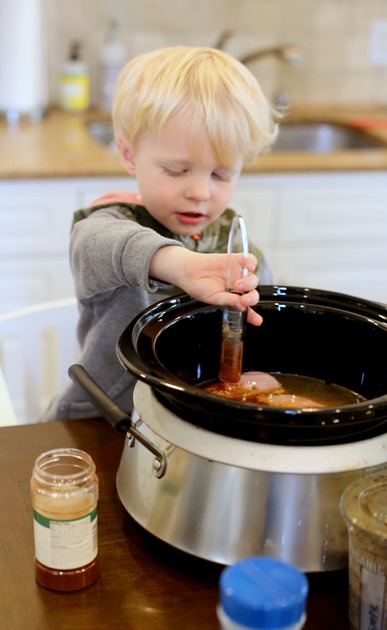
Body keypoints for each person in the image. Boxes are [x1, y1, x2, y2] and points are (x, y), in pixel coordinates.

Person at [42, 45, 281, 421]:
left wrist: (264, 377)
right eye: (176, 170)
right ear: (129, 155)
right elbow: (97, 246)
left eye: (221, 174)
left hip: (191, 424)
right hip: (100, 421)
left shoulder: (242, 255)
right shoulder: (110, 224)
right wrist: (177, 264)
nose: (200, 192)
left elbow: (267, 334)